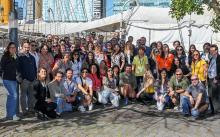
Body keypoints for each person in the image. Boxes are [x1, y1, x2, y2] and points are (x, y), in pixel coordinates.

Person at [0, 42, 20, 120]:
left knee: (11, 97)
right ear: (8, 48)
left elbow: (17, 68)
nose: (13, 49)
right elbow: (1, 68)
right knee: (14, 95)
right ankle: (13, 115)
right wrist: (1, 77)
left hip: (14, 80)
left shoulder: (16, 56)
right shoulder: (5, 57)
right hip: (7, 79)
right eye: (11, 47)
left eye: (14, 47)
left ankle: (9, 114)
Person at [17, 40, 37, 116]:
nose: (27, 49)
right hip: (24, 80)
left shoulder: (32, 57)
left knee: (31, 95)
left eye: (28, 47)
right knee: (23, 95)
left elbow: (35, 68)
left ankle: (31, 109)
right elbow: (18, 69)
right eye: (25, 47)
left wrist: (35, 77)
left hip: (32, 79)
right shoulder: (20, 56)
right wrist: (21, 79)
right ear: (22, 47)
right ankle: (24, 111)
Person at [208, 44, 220, 113]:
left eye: (213, 50)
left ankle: (217, 110)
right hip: (210, 78)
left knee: (216, 95)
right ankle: (212, 110)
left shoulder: (219, 58)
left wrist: (217, 78)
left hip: (215, 79)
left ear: (216, 50)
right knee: (210, 94)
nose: (211, 52)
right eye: (210, 51)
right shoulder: (211, 58)